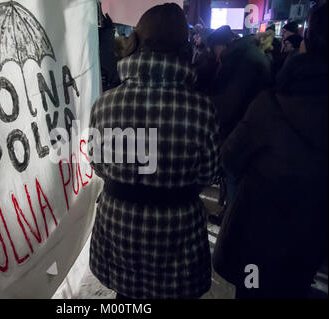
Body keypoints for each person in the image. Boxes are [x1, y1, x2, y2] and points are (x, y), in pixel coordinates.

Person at [88, 3, 220, 299]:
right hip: (177, 228)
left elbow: (97, 163)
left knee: (127, 296)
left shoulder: (105, 103)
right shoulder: (201, 108)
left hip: (119, 223)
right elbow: (209, 172)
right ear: (185, 49)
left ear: (135, 42)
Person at [213, 3, 328, 299]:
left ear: (307, 42)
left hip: (261, 235)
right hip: (312, 238)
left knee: (253, 289)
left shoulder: (274, 103)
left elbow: (230, 156)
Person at [208, 26, 273, 210]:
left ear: (221, 46)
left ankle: (231, 220)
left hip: (242, 132)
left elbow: (229, 103)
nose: (215, 55)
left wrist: (206, 106)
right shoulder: (249, 54)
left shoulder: (240, 60)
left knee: (235, 182)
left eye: (214, 50)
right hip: (254, 130)